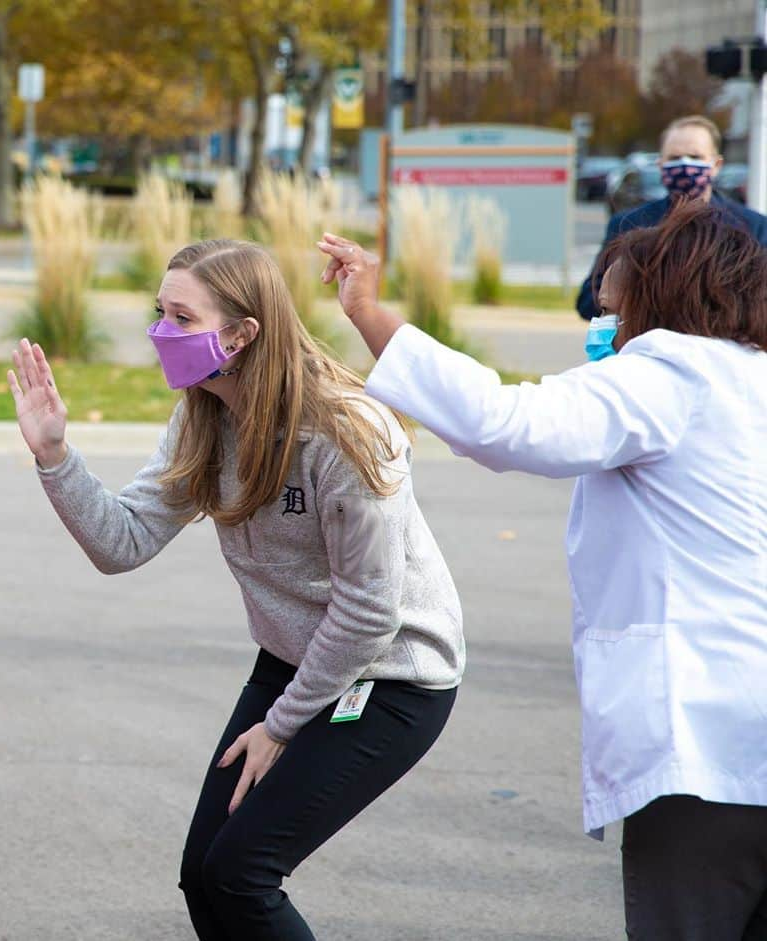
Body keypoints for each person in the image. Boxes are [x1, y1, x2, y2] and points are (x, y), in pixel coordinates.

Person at [318, 200, 767, 940]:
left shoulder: (669, 373)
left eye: (616, 308)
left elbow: (502, 421)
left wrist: (369, 313)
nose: (607, 324)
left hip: (709, 748)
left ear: (672, 294)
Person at [7, 239, 465, 940]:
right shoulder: (204, 413)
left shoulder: (343, 433)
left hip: (391, 677)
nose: (162, 332)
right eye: (159, 312)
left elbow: (372, 610)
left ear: (243, 333)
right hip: (295, 661)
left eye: (182, 317)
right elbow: (121, 541)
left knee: (241, 874)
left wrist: (280, 727)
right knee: (205, 876)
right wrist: (54, 456)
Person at [576, 114, 767, 320]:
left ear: (716, 165)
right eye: (675, 158)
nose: (685, 165)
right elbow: (589, 301)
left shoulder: (753, 227)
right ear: (660, 165)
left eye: (695, 157)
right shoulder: (630, 224)